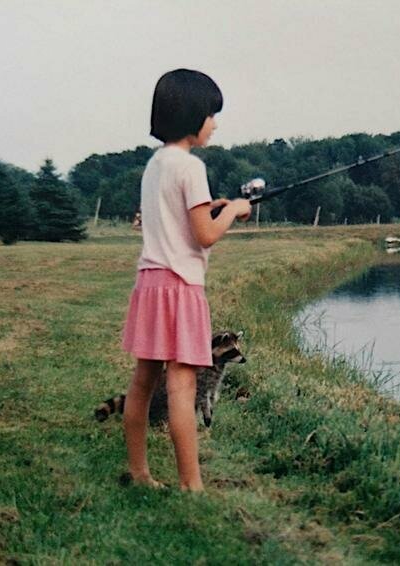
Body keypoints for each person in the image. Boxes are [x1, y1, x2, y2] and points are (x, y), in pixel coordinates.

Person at [121, 69, 251, 491]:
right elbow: (205, 234)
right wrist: (234, 211)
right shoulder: (191, 167)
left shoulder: (155, 165)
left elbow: (170, 218)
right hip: (181, 287)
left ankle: (140, 473)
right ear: (193, 116)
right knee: (181, 383)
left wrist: (212, 205)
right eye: (212, 115)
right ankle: (191, 485)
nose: (215, 123)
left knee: (143, 381)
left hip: (150, 282)